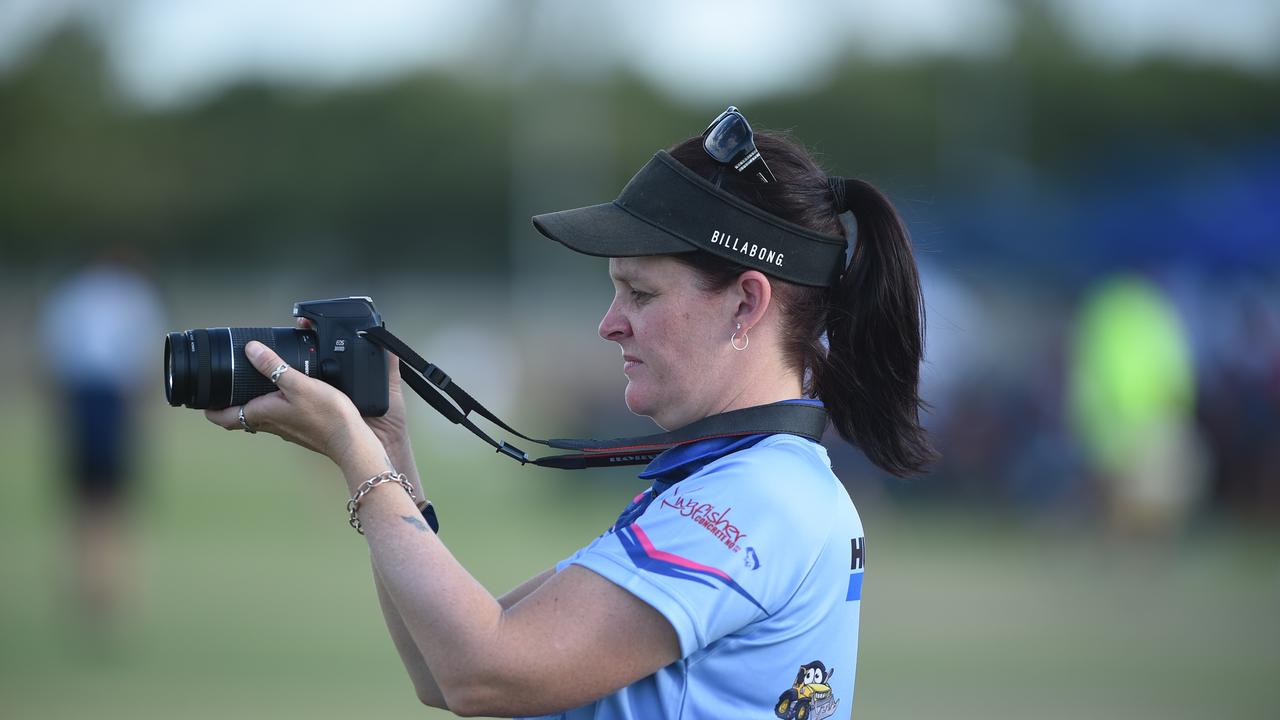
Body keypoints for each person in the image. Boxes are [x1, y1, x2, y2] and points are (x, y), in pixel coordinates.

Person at [204, 106, 932, 718]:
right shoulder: (754, 483)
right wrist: (385, 448)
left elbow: (481, 670)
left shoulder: (751, 501)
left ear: (747, 303)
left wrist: (350, 452)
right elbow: (441, 665)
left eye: (640, 294)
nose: (609, 324)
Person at [40, 248, 165, 631]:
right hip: (109, 401)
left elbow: (52, 356)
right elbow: (145, 361)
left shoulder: (71, 294)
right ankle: (107, 586)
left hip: (84, 400)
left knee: (87, 502)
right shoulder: (134, 295)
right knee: (112, 502)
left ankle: (93, 584)